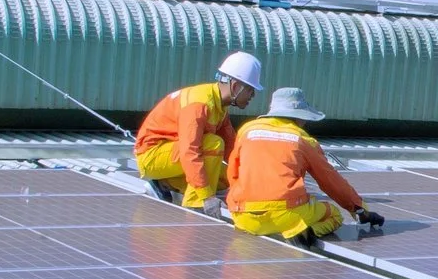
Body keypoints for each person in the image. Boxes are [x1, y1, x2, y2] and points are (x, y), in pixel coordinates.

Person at [224, 86, 385, 246]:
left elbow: (233, 173)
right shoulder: (303, 140)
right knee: (334, 214)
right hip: (286, 217)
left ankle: (281, 229)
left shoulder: (247, 130)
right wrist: (360, 210)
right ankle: (303, 233)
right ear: (298, 117)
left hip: (243, 217)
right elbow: (331, 181)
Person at [134, 52, 262, 211]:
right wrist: (207, 197)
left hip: (172, 156)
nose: (253, 96)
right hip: (152, 156)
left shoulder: (219, 107)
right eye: (250, 90)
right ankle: (195, 205)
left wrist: (254, 179)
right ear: (236, 87)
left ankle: (164, 183)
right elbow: (190, 151)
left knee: (229, 177)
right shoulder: (199, 104)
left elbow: (232, 150)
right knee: (213, 144)